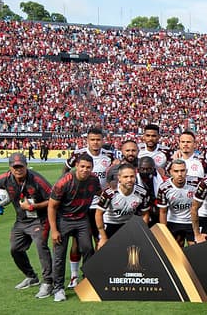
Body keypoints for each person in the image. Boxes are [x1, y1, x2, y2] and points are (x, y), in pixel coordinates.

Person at [0, 152, 54, 299]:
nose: (18, 169)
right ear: (10, 167)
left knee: (41, 245)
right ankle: (31, 276)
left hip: (40, 219)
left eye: (20, 166)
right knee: (15, 249)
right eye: (15, 167)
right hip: (21, 220)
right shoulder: (5, 178)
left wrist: (34, 206)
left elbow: (53, 199)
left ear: (26, 166)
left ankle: (48, 282)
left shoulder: (36, 179)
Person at [62, 127, 114, 288]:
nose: (95, 142)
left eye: (98, 139)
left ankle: (95, 274)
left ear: (102, 140)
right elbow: (65, 169)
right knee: (78, 243)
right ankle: (74, 276)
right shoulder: (79, 155)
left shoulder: (110, 156)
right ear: (87, 140)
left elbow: (114, 175)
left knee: (101, 241)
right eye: (92, 139)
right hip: (82, 206)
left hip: (100, 206)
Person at [48, 154, 101, 302]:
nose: (85, 170)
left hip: (82, 219)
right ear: (76, 166)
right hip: (63, 220)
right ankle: (58, 288)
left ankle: (87, 282)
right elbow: (52, 206)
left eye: (88, 167)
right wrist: (54, 230)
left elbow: (101, 194)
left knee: (88, 249)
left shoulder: (94, 180)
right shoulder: (64, 182)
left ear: (92, 168)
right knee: (59, 255)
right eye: (82, 166)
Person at [94, 163, 150, 249]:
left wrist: (142, 233)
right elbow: (98, 214)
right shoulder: (109, 193)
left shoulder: (142, 193)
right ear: (119, 178)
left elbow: (145, 214)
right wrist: (103, 237)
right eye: (126, 177)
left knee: (132, 254)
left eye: (132, 176)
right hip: (110, 224)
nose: (129, 180)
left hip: (128, 224)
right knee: (102, 251)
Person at [157, 159, 200, 246]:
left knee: (195, 247)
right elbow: (163, 212)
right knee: (176, 248)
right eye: (176, 171)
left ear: (186, 171)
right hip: (174, 221)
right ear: (170, 172)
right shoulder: (164, 188)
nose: (180, 174)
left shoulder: (196, 183)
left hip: (192, 222)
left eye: (182, 171)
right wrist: (164, 233)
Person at [136, 156, 165, 226]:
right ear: (138, 169)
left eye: (148, 169)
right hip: (138, 212)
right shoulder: (134, 181)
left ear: (153, 169)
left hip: (156, 212)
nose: (145, 172)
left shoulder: (162, 181)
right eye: (143, 169)